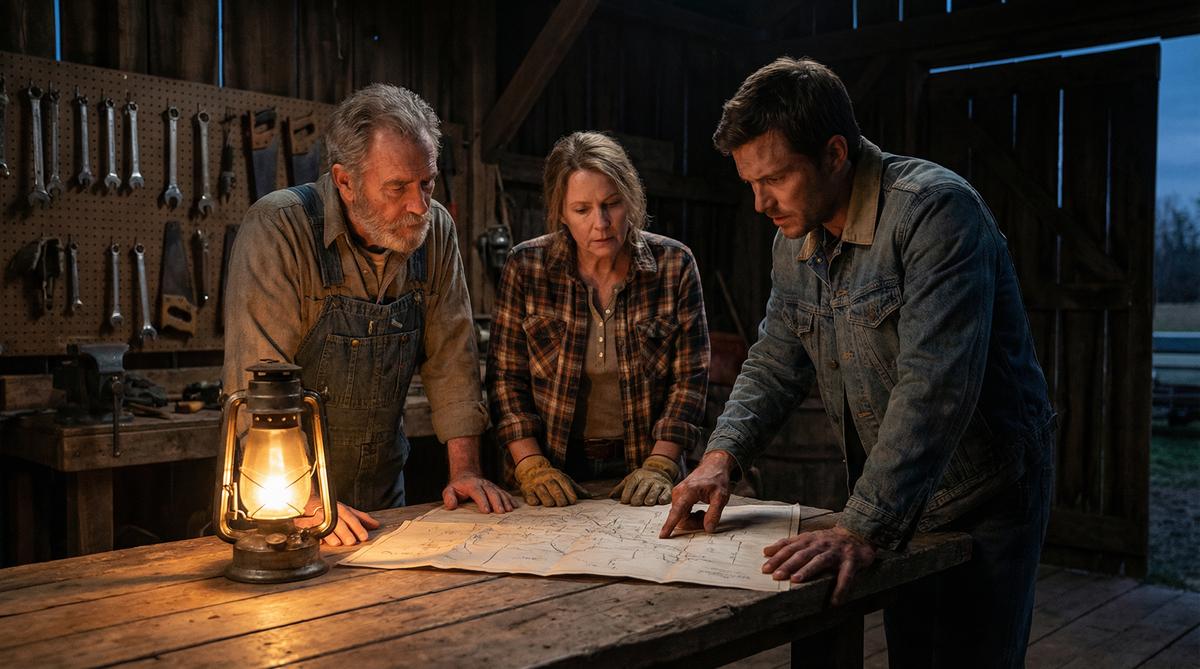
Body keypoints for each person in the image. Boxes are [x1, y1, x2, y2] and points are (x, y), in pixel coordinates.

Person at [660, 57, 1056, 668]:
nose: (760, 203)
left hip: (985, 491)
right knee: (914, 655)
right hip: (900, 495)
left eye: (775, 179)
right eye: (749, 184)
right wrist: (720, 458)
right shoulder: (795, 240)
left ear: (835, 153)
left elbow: (934, 388)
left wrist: (860, 526)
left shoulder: (936, 214)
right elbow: (774, 360)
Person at [222, 84, 515, 547]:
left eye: (427, 182)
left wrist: (465, 471)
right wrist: (309, 501)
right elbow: (257, 386)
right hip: (282, 507)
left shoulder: (434, 229)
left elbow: (452, 359)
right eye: (397, 188)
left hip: (382, 499)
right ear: (345, 182)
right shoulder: (279, 228)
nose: (419, 205)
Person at [487, 131, 710, 508]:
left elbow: (690, 380)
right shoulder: (527, 267)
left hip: (644, 465)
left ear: (631, 200)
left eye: (612, 204)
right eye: (582, 210)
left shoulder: (674, 265)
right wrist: (530, 464)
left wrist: (660, 464)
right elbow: (506, 379)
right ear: (560, 212)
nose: (601, 223)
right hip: (553, 464)